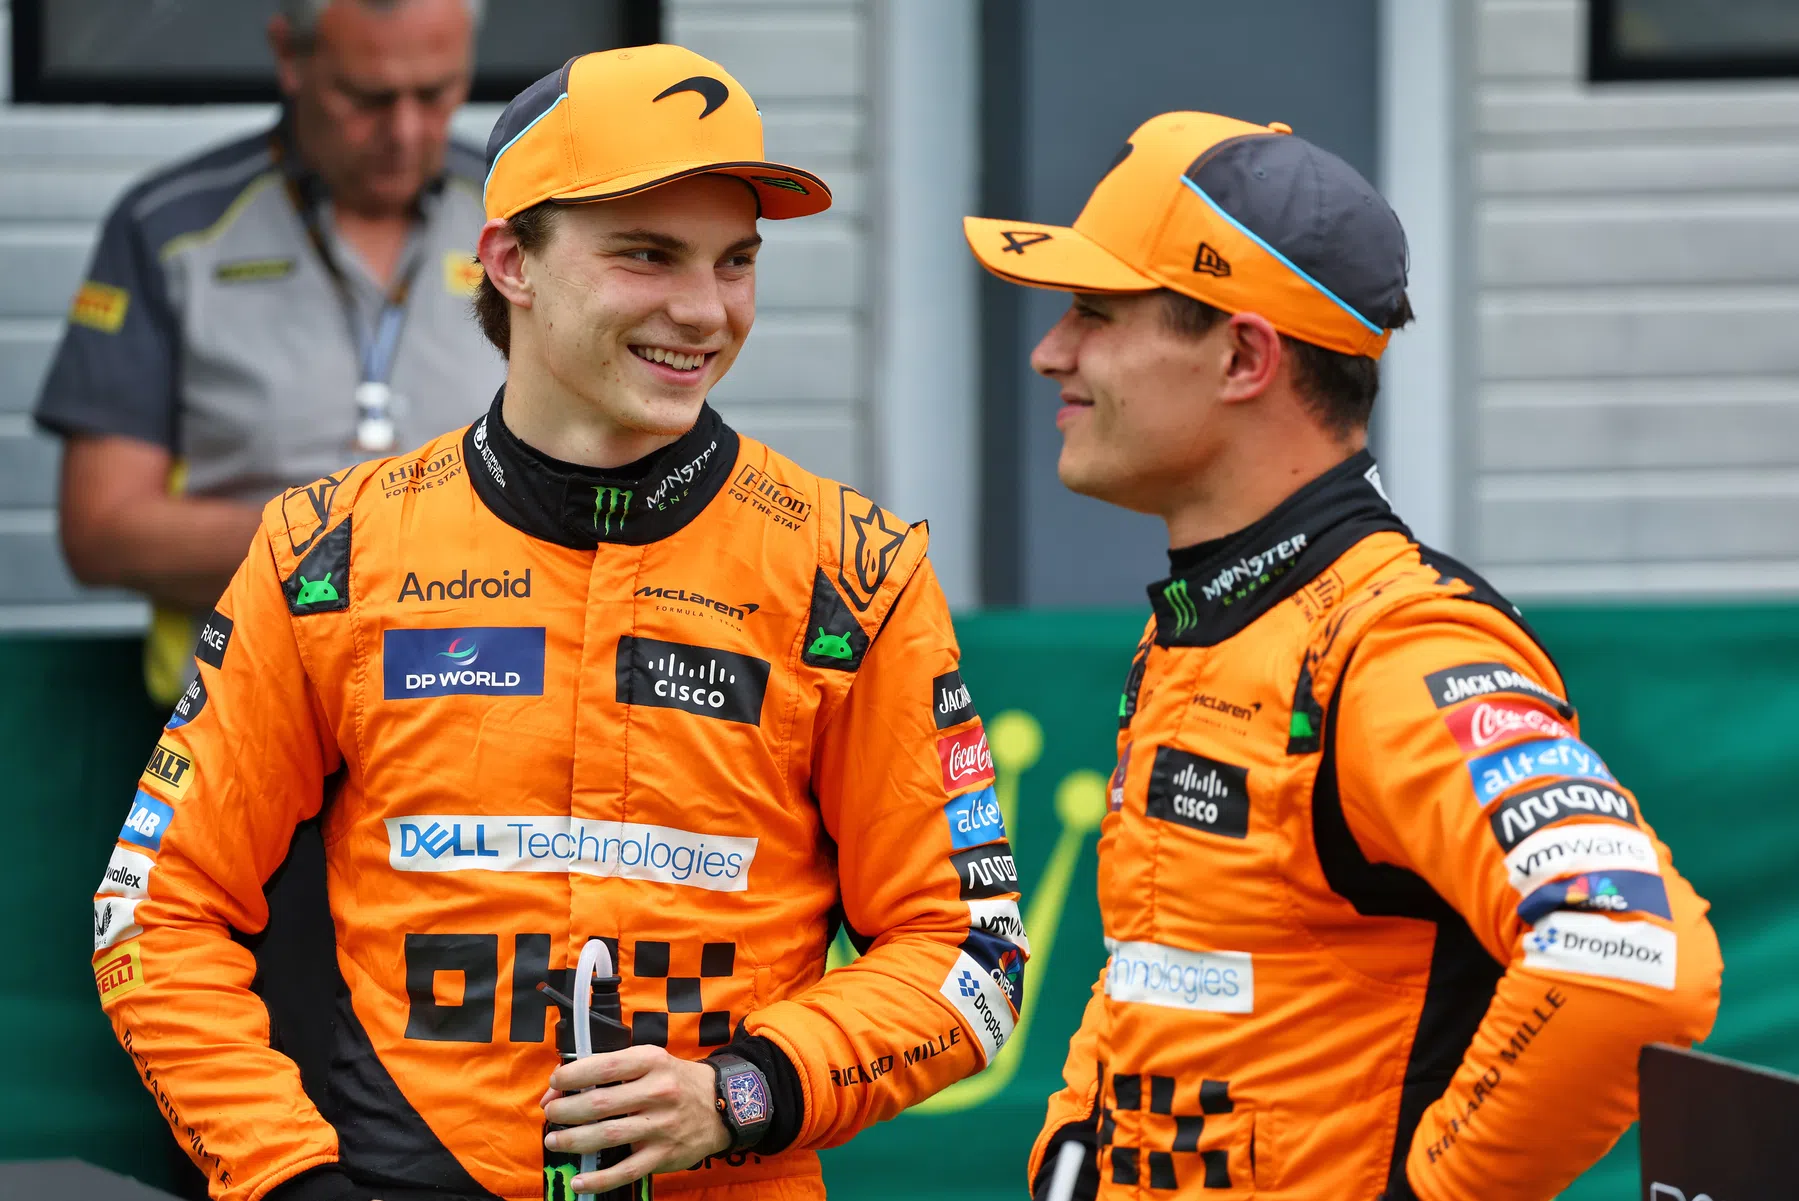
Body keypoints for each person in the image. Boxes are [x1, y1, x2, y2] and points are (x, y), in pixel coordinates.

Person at [90, 43, 1025, 1201]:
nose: (704, 310)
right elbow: (155, 912)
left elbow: (973, 955)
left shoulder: (851, 570)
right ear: (509, 261)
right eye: (647, 254)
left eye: (736, 262)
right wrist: (285, 1177)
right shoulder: (327, 553)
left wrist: (742, 1090)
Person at [963, 112, 1721, 1200]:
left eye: (1093, 312)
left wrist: (1434, 1192)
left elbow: (1629, 959)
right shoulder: (1219, 615)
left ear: (1241, 355)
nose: (1050, 351)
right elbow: (1173, 976)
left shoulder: (1393, 644)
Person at [35, 0, 502, 708]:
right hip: (251, 729)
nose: (405, 131)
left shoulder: (523, 220)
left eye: (436, 92)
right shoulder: (172, 229)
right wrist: (349, 536)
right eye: (367, 97)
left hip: (492, 718)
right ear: (290, 57)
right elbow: (100, 531)